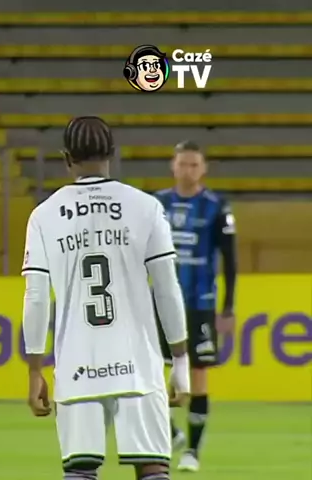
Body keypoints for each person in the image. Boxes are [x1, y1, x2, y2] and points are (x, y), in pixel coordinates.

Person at [21, 116, 191, 480]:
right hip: (138, 367)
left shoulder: (44, 215)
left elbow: (35, 297)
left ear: (66, 158)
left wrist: (35, 369)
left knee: (80, 471)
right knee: (153, 469)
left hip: (77, 366)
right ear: (112, 154)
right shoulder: (145, 207)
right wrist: (180, 360)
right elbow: (167, 288)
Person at [154, 141, 238, 472]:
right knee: (150, 373)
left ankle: (192, 451)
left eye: (193, 165)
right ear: (172, 166)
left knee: (198, 374)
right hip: (160, 301)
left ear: (203, 169)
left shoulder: (216, 207)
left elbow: (230, 260)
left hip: (200, 303)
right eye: (182, 164)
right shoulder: (157, 204)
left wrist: (228, 307)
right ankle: (170, 430)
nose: (187, 170)